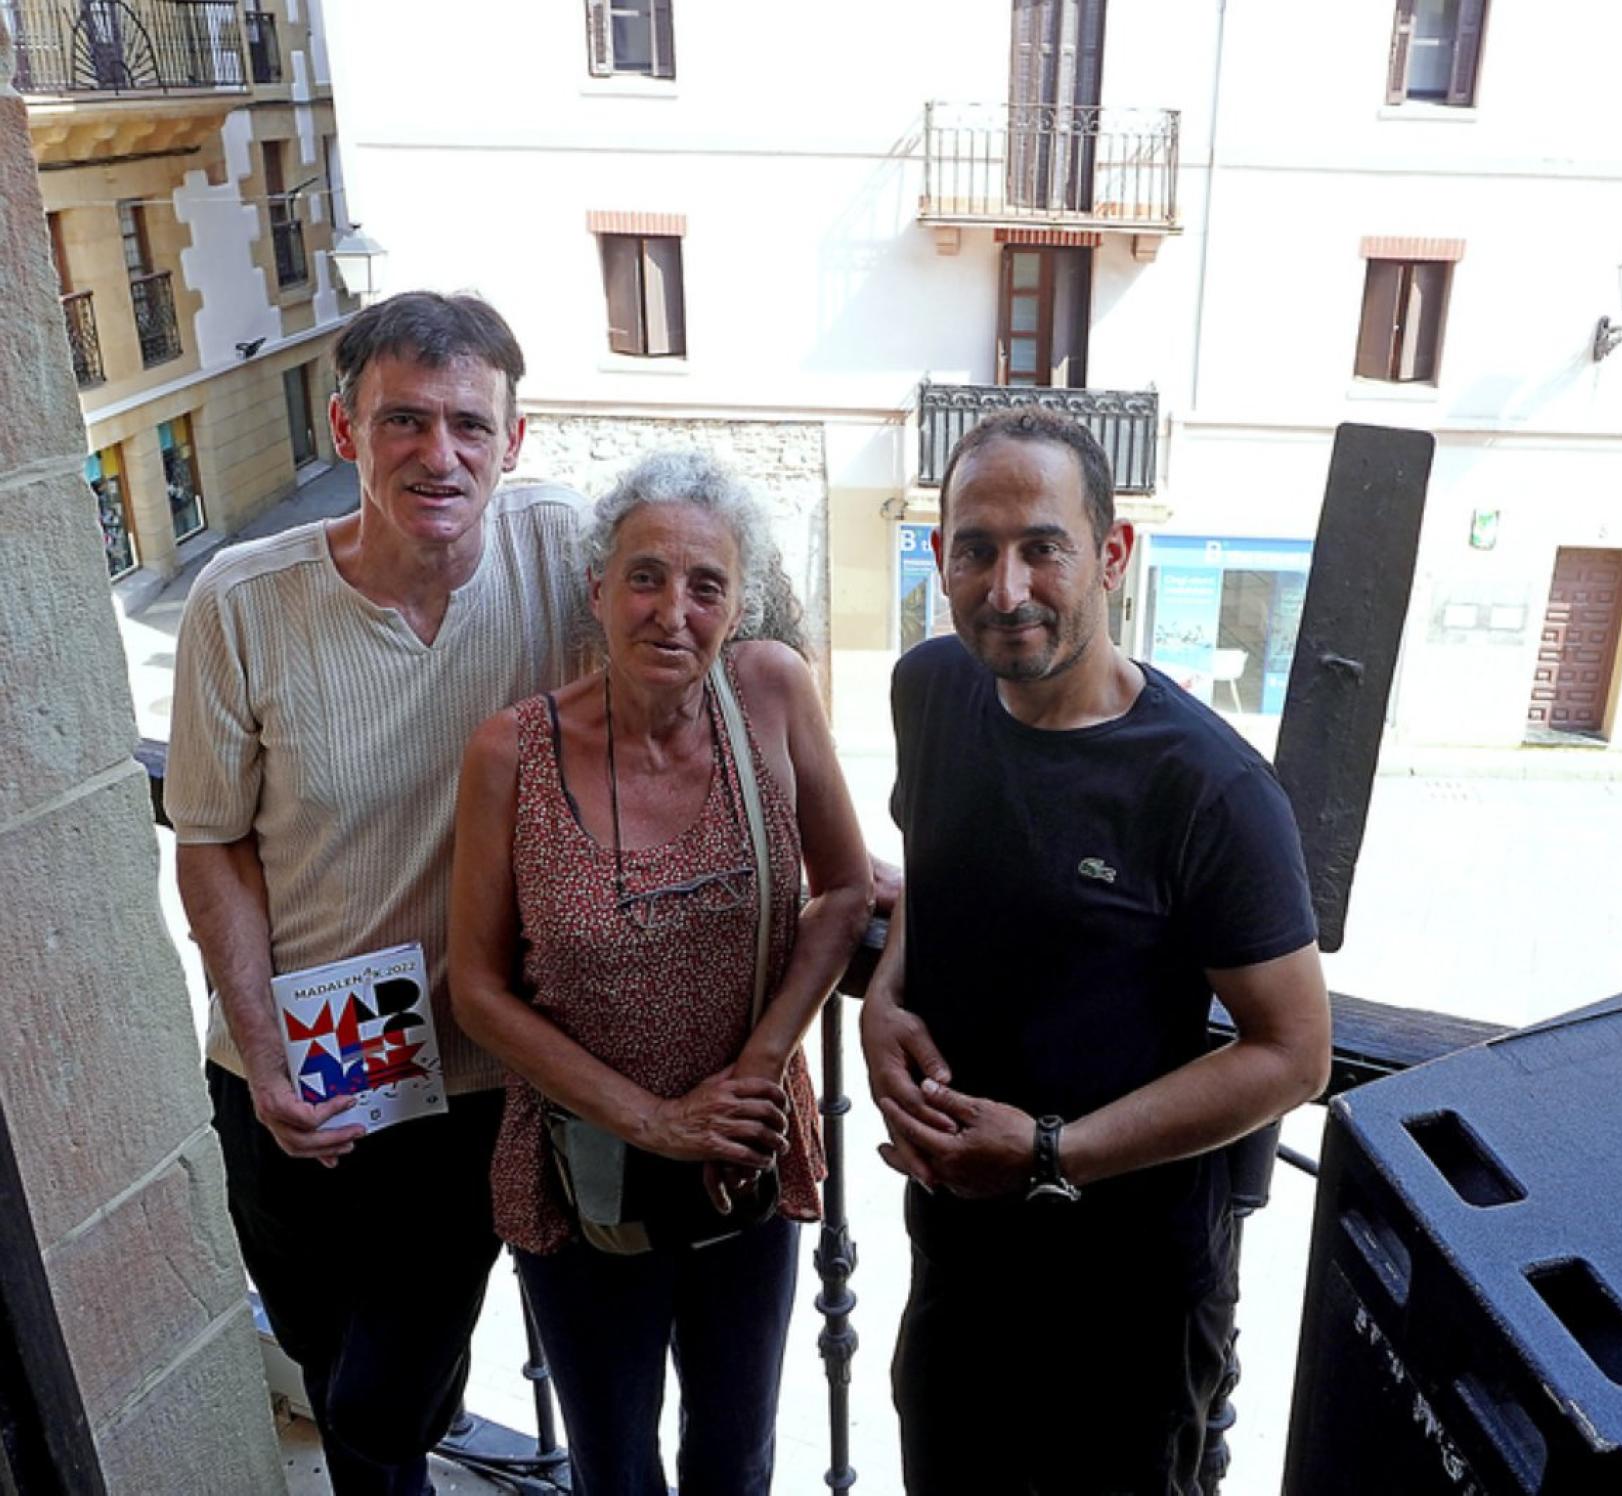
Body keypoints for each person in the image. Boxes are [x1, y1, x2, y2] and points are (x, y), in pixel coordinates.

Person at [862, 408, 1334, 1495]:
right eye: (975, 549)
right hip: (959, 1256)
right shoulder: (930, 690)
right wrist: (887, 991)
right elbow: (931, 864)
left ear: (1112, 555)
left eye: (1043, 546)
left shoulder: (1208, 786)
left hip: (1128, 1294)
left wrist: (1047, 1151)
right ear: (939, 559)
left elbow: (1294, 1053)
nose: (1007, 586)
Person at [167, 291, 590, 1495]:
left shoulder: (564, 548)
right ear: (346, 429)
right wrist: (265, 1046)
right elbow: (211, 844)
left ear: (513, 440)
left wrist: (833, 849)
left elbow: (739, 644)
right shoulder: (242, 602)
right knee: (323, 1344)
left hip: (468, 1077)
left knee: (377, 1400)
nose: (437, 453)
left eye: (468, 423)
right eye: (403, 418)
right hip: (289, 1070)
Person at [449, 450, 872, 1496]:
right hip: (584, 1172)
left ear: (739, 603)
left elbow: (848, 891)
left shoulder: (771, 692)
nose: (671, 610)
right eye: (644, 576)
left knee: (735, 1454)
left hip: (745, 1154)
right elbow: (478, 987)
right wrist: (655, 1118)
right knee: (615, 1463)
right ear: (597, 589)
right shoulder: (512, 753)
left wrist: (760, 1066)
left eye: (706, 584)